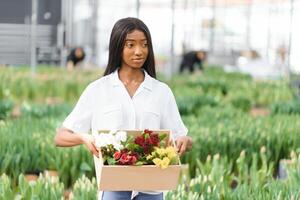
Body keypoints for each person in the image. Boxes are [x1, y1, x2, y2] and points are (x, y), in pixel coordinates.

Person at [54, 17, 192, 200]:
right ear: (118, 47)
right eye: (130, 45)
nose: (139, 51)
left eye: (144, 45)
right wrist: (83, 138)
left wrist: (185, 141)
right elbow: (60, 137)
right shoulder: (98, 90)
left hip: (151, 191)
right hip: (113, 190)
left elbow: (180, 136)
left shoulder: (161, 92)